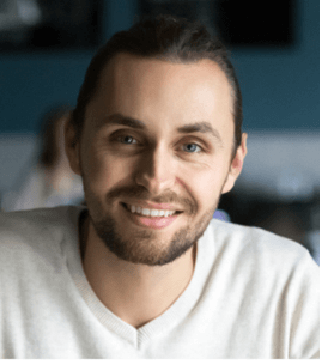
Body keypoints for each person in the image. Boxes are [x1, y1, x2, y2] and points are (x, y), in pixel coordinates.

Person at [1, 14, 319, 358]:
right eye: (126, 139)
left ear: (233, 165)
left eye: (191, 146)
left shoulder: (287, 291)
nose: (155, 178)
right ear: (74, 146)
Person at [1, 105, 84, 211]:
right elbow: (16, 209)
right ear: (53, 138)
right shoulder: (38, 176)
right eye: (62, 133)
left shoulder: (87, 177)